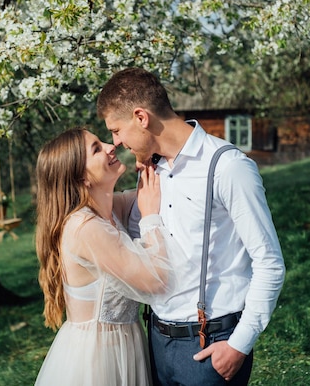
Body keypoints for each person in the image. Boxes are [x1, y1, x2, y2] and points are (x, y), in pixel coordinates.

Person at [96, 67, 286, 385]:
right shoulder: (150, 173)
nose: (115, 142)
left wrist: (240, 344)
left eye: (117, 130)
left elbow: (270, 263)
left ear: (141, 118)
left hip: (210, 345)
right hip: (155, 341)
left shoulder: (227, 167)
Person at [33, 127, 180, 386]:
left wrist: (148, 158)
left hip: (125, 344)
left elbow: (154, 192)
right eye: (97, 149)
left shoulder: (108, 211)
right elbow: (156, 280)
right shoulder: (85, 227)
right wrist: (150, 219)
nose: (110, 146)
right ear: (82, 179)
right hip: (99, 357)